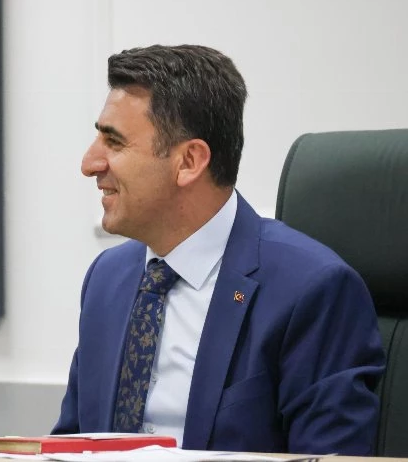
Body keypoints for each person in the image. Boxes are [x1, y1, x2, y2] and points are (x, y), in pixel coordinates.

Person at [52, 44, 385, 455]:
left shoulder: (312, 290)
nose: (89, 163)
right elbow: (69, 446)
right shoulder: (107, 278)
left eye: (114, 142)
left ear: (189, 161)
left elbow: (329, 457)